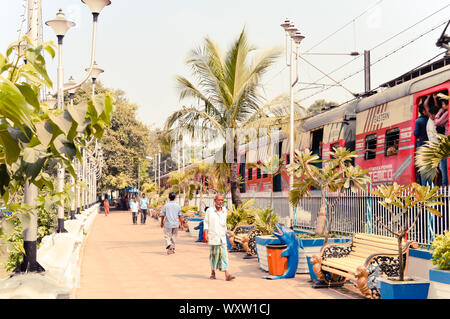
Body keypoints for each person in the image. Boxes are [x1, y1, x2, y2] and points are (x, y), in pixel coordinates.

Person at [204, 194, 235, 281]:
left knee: (224, 255)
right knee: (214, 256)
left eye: (222, 200)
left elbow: (224, 223)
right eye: (219, 200)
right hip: (213, 236)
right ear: (215, 200)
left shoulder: (224, 210)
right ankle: (213, 272)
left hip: (222, 237)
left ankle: (227, 274)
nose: (220, 202)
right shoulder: (210, 211)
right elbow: (206, 223)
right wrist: (206, 234)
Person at [434, 95, 449, 187]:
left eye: (443, 104)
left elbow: (437, 122)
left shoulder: (447, 113)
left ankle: (445, 186)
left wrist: (439, 112)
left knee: (443, 165)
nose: (442, 106)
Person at [414, 101, 429, 185]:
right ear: (423, 111)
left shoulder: (418, 121)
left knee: (423, 170)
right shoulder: (430, 120)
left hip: (421, 148)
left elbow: (416, 133)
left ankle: (424, 188)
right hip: (429, 147)